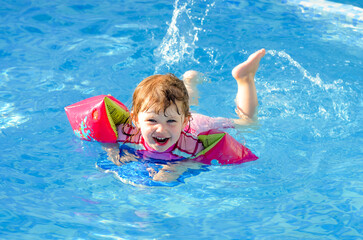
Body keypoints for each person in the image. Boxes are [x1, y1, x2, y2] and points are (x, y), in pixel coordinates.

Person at [102, 49, 266, 182]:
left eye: (170, 122)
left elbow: (200, 159)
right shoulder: (126, 133)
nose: (161, 128)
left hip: (198, 125)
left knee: (250, 123)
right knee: (180, 105)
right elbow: (107, 138)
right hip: (178, 112)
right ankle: (189, 83)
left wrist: (180, 167)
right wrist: (113, 152)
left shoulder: (190, 144)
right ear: (136, 120)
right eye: (152, 120)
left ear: (184, 121)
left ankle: (245, 78)